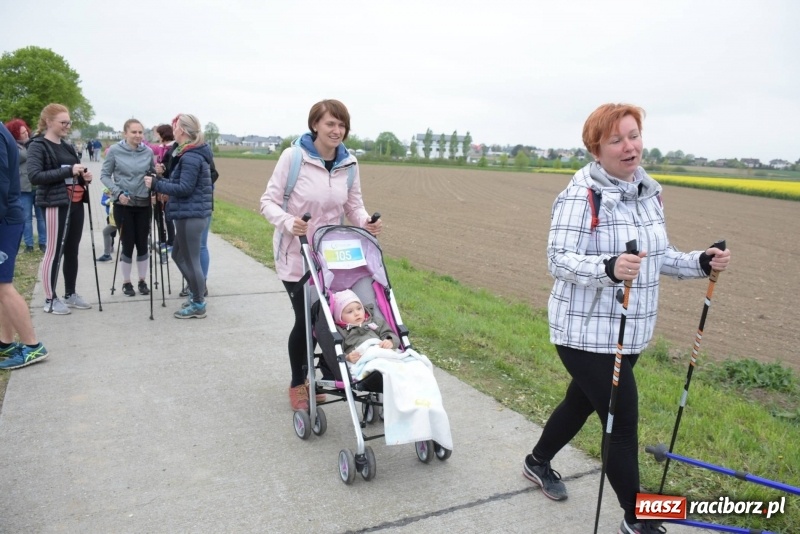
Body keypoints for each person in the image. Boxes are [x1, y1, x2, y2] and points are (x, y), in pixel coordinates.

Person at [521, 103, 731, 534]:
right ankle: (639, 520)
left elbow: (660, 257)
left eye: (633, 135)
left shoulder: (647, 192)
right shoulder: (581, 196)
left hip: (629, 331)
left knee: (580, 402)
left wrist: (700, 262)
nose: (628, 146)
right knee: (622, 427)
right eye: (615, 140)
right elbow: (558, 260)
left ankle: (536, 461)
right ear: (596, 151)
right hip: (583, 332)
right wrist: (607, 267)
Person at [259, 98, 383, 411]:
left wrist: (365, 222)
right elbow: (268, 203)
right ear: (315, 124)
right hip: (296, 255)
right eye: (330, 123)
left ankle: (328, 374)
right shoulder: (294, 158)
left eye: (341, 125)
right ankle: (298, 382)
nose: (336, 130)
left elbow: (353, 205)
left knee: (331, 319)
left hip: (334, 257)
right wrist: (290, 223)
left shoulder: (350, 163)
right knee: (307, 321)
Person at [27, 103, 95, 315]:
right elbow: (35, 176)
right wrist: (66, 170)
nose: (67, 126)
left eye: (69, 122)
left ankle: (70, 293)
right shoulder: (38, 145)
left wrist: (84, 176)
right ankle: (50, 298)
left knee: (72, 249)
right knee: (53, 251)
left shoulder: (66, 146)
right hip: (55, 202)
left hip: (75, 201)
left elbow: (73, 172)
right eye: (63, 122)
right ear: (48, 122)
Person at [144, 113, 212, 319]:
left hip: (191, 214)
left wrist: (156, 184)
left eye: (175, 127)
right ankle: (195, 293)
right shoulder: (186, 152)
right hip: (186, 212)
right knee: (178, 255)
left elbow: (184, 187)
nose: (172, 130)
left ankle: (198, 302)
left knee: (191, 260)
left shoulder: (191, 156)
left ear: (181, 130)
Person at [0, 122, 49, 369]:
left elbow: (0, 183)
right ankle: (6, 342)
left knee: (3, 286)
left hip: (4, 218)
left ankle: (32, 347)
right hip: (8, 215)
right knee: (1, 284)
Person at [100, 119, 155, 296]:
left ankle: (142, 280)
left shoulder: (148, 152)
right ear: (125, 133)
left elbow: (152, 173)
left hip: (144, 203)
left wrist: (155, 181)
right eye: (134, 132)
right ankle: (126, 282)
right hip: (123, 204)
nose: (138, 136)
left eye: (141, 132)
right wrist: (117, 192)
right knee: (127, 244)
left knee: (142, 244)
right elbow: (105, 175)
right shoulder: (115, 151)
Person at [4, 119, 47, 253]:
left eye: (26, 132)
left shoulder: (32, 143)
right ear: (15, 134)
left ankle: (43, 242)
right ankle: (29, 244)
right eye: (22, 133)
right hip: (24, 187)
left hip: (38, 186)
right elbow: (20, 158)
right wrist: (32, 146)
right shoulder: (13, 146)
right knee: (27, 218)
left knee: (41, 217)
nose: (26, 135)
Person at [332, 289, 399, 368]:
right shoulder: (340, 332)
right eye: (350, 312)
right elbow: (336, 351)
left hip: (382, 353)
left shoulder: (374, 322)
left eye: (359, 308)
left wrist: (390, 341)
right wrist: (347, 358)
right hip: (363, 361)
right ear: (340, 317)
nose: (357, 313)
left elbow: (388, 333)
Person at [96, 187, 116, 262]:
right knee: (107, 232)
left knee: (125, 235)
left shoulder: (119, 187)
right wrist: (108, 199)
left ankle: (126, 255)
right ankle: (107, 253)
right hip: (112, 218)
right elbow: (103, 201)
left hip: (121, 217)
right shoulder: (106, 189)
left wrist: (112, 197)